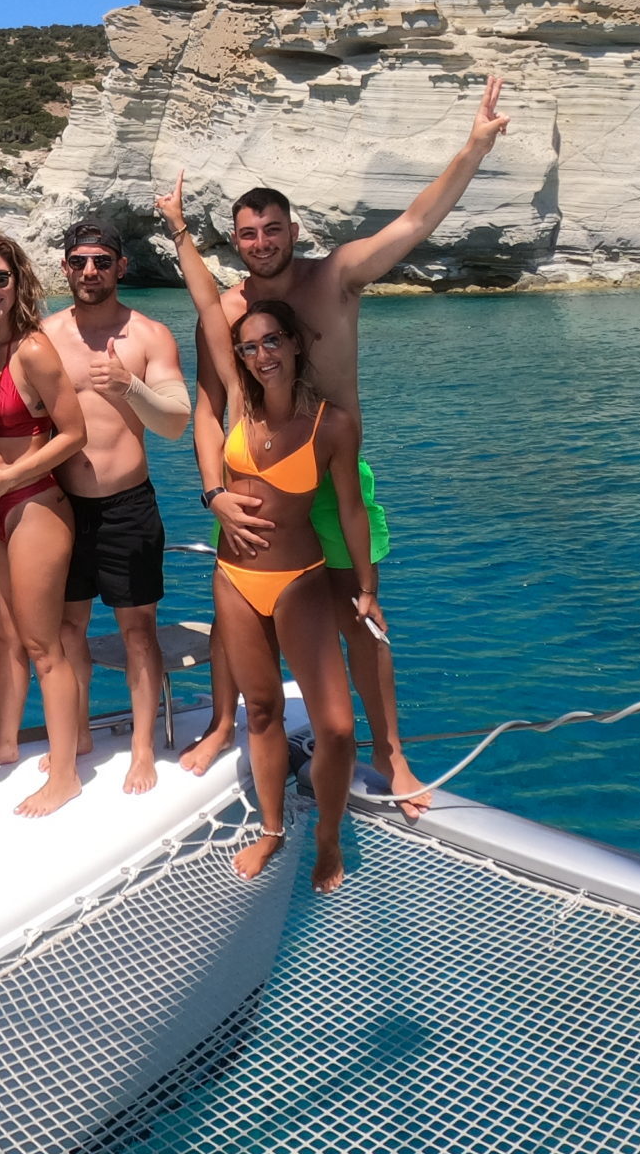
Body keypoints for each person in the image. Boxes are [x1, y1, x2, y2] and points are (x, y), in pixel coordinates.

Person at [179, 78, 511, 814]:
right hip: (251, 480)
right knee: (237, 612)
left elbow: (416, 221)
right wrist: (212, 491)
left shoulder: (336, 277)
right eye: (246, 233)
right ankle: (219, 723)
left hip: (330, 480)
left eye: (270, 229)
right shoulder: (231, 312)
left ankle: (390, 753)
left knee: (361, 618)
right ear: (233, 241)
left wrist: (473, 147)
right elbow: (207, 407)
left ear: (291, 230)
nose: (259, 242)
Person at [156, 174, 382, 891]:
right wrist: (179, 230)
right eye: (248, 346)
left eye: (271, 342)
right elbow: (202, 298)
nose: (259, 354)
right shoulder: (239, 406)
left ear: (294, 341)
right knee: (258, 711)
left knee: (338, 728)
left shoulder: (329, 424)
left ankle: (327, 838)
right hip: (232, 577)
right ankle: (273, 829)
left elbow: (348, 509)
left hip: (300, 580)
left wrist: (367, 587)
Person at [41, 219, 192, 794]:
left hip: (128, 505)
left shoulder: (149, 336)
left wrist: (130, 386)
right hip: (64, 506)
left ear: (120, 267)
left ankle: (143, 749)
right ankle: (76, 736)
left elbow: (176, 423)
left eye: (102, 262)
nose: (90, 272)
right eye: (79, 262)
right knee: (66, 629)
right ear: (65, 268)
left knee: (137, 632)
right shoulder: (47, 334)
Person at [0, 232, 90, 816]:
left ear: (17, 280)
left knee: (42, 644)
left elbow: (73, 432)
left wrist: (10, 476)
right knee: (2, 639)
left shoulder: (33, 350)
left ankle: (66, 772)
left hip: (33, 501)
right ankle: (3, 743)